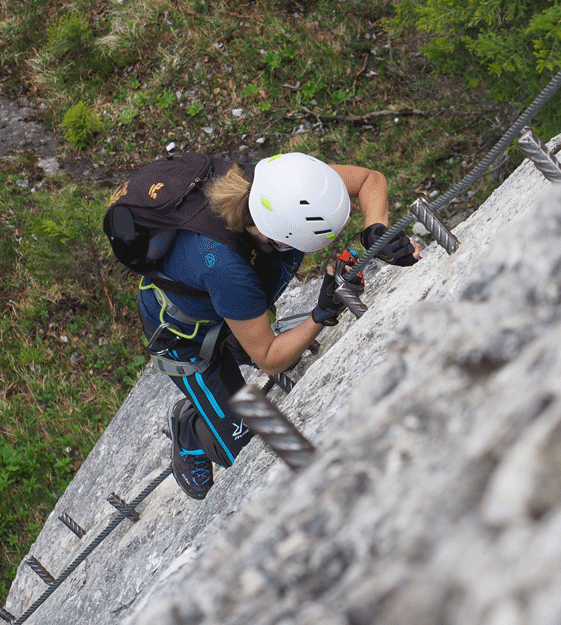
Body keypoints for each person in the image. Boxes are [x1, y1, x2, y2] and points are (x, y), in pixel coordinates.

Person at [140, 152, 420, 499]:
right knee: (239, 451)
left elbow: (368, 179)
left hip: (225, 303)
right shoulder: (228, 268)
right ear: (282, 239)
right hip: (186, 337)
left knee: (253, 332)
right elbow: (269, 358)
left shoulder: (283, 186)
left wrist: (376, 231)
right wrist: (321, 313)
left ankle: (234, 342)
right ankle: (191, 430)